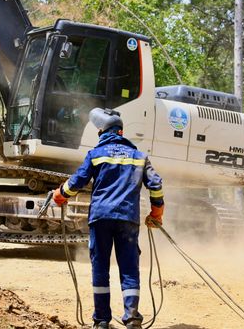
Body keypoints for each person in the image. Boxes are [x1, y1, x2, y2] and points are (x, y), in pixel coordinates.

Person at [53, 108, 165, 329]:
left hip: (101, 218)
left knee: (100, 268)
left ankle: (102, 320)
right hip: (128, 219)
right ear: (121, 132)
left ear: (102, 132)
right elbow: (156, 185)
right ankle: (132, 319)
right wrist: (156, 213)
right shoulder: (140, 157)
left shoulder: (96, 154)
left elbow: (77, 182)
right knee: (129, 268)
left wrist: (60, 195)